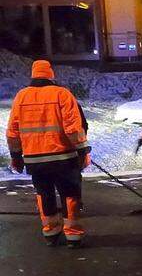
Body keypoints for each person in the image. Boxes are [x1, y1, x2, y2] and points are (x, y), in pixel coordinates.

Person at [6, 60, 91, 248]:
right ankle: (73, 236)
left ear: (33, 75)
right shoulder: (62, 94)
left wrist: (16, 156)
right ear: (51, 75)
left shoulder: (21, 97)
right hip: (63, 157)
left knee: (44, 194)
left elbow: (12, 131)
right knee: (70, 194)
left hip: (35, 160)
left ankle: (51, 233)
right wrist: (82, 150)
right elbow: (73, 128)